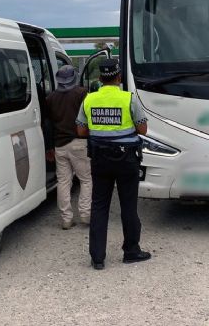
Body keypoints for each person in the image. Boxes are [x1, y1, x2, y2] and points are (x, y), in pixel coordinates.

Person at [76, 58, 151, 270]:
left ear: (100, 78)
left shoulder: (89, 99)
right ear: (118, 77)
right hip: (127, 159)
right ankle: (131, 251)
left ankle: (97, 257)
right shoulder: (128, 98)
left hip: (100, 158)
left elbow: (80, 130)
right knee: (128, 205)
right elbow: (143, 129)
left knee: (99, 206)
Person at [45, 65, 91, 230]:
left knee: (63, 182)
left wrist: (49, 147)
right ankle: (85, 215)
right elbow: (88, 116)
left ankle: (66, 219)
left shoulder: (50, 98)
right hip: (79, 143)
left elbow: (47, 124)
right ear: (74, 77)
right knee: (86, 180)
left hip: (59, 145)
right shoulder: (82, 93)